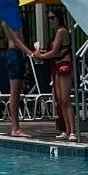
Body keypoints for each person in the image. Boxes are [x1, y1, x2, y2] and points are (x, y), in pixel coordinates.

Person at [35, 8, 76, 141]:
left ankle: (72, 131)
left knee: (65, 99)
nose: (50, 21)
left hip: (64, 66)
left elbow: (53, 52)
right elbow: (54, 52)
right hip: (58, 66)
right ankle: (67, 129)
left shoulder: (61, 31)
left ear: (59, 18)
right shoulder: (56, 33)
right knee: (60, 101)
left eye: (52, 18)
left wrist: (40, 55)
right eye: (49, 19)